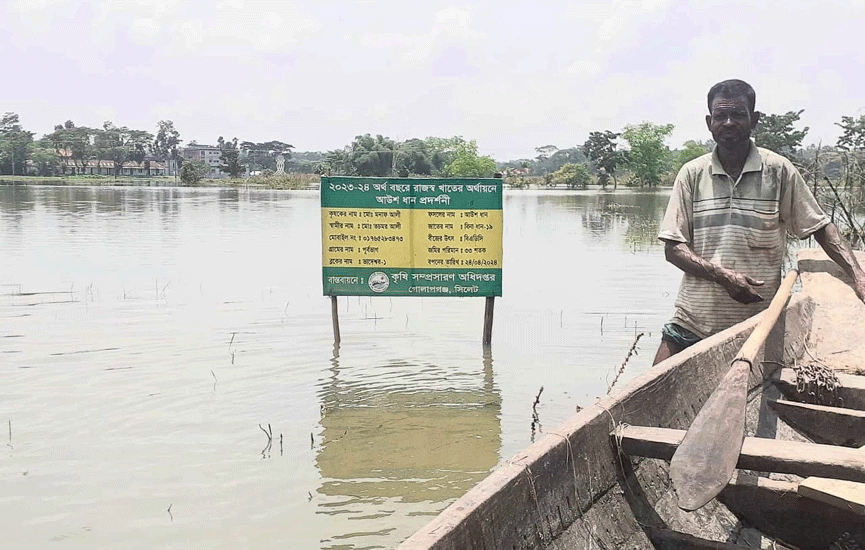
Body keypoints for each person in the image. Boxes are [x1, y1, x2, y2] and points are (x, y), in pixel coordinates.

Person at [653, 79, 865, 365]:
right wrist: (724, 276)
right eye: (720, 116)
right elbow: (673, 247)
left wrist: (858, 275)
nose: (728, 123)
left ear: (754, 120)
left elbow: (820, 227)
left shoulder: (778, 171)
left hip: (757, 326)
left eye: (738, 115)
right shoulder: (692, 174)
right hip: (693, 321)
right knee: (653, 390)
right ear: (709, 122)